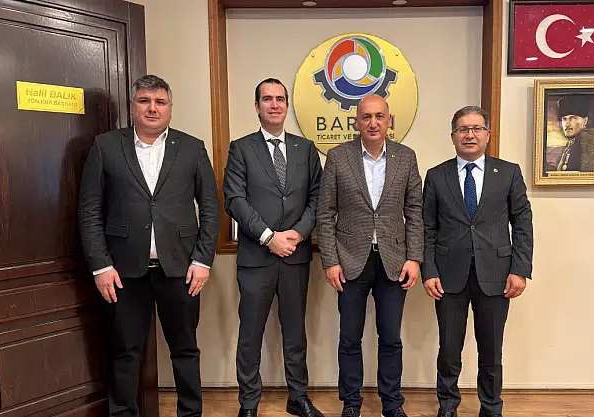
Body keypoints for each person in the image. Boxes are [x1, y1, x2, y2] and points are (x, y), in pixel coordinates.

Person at [78, 74, 219, 417]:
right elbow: (90, 210)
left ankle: (190, 413)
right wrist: (101, 265)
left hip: (182, 269)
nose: (152, 108)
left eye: (160, 102)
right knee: (125, 352)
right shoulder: (106, 146)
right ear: (133, 107)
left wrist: (202, 260)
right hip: (123, 272)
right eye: (144, 101)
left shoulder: (192, 147)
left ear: (170, 108)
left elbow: (211, 208)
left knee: (185, 350)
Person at [421, 106, 533, 417]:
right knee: (449, 349)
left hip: (496, 274)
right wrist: (429, 270)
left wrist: (520, 269)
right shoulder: (436, 176)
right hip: (448, 276)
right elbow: (427, 228)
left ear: (487, 134)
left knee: (491, 350)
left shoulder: (508, 172)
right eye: (463, 129)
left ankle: (491, 407)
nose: (469, 135)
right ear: (453, 136)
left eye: (476, 128)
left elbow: (522, 223)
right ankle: (447, 406)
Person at [316, 95, 424, 417]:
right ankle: (351, 403)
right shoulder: (338, 157)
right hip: (350, 261)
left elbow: (414, 211)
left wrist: (414, 257)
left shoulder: (406, 157)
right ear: (357, 122)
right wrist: (330, 261)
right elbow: (325, 213)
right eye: (366, 117)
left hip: (394, 261)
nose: (373, 123)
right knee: (350, 338)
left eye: (379, 116)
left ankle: (392, 403)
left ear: (389, 121)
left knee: (390, 337)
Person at [222, 78, 324, 417]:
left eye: (280, 99)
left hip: (295, 255)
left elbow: (318, 197)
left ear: (287, 105)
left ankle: (298, 397)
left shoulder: (305, 148)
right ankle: (248, 403)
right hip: (257, 257)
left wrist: (298, 233)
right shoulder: (241, 148)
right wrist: (268, 237)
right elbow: (234, 200)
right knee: (250, 334)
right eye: (267, 99)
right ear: (257, 106)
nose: (275, 104)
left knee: (295, 333)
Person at [546, 95, 594, 172]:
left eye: (573, 118)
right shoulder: (572, 143)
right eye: (564, 119)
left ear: (585, 121)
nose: (567, 124)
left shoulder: (587, 140)